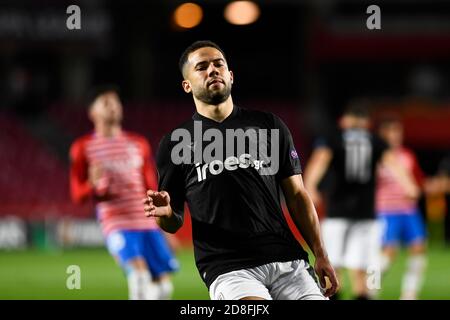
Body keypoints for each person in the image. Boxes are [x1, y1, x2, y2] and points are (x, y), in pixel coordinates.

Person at [143, 40, 339, 300]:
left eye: (218, 64)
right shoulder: (175, 142)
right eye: (202, 67)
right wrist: (166, 213)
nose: (213, 70)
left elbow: (297, 195)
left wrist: (321, 254)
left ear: (231, 76)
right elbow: (172, 219)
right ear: (187, 85)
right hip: (228, 268)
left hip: (288, 261)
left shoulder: (269, 125)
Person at [70, 86, 178, 300]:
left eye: (116, 102)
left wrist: (163, 226)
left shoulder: (138, 144)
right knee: (139, 276)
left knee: (164, 289)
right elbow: (77, 195)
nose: (113, 107)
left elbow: (151, 188)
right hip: (116, 221)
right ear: (92, 112)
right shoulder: (83, 147)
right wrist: (91, 184)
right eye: (106, 103)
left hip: (146, 221)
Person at [304, 102, 419, 300]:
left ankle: (331, 296)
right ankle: (366, 295)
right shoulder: (374, 140)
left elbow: (319, 160)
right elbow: (392, 162)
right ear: (366, 123)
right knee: (365, 268)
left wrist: (310, 186)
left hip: (337, 212)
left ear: (345, 120)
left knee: (331, 266)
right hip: (366, 213)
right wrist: (409, 185)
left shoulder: (334, 138)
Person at [376, 116, 427, 300]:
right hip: (385, 210)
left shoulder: (407, 156)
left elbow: (418, 181)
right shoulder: (377, 156)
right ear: (383, 134)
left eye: (398, 132)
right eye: (392, 132)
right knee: (388, 253)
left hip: (408, 210)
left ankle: (409, 293)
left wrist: (421, 188)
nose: (396, 136)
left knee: (419, 247)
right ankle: (370, 288)